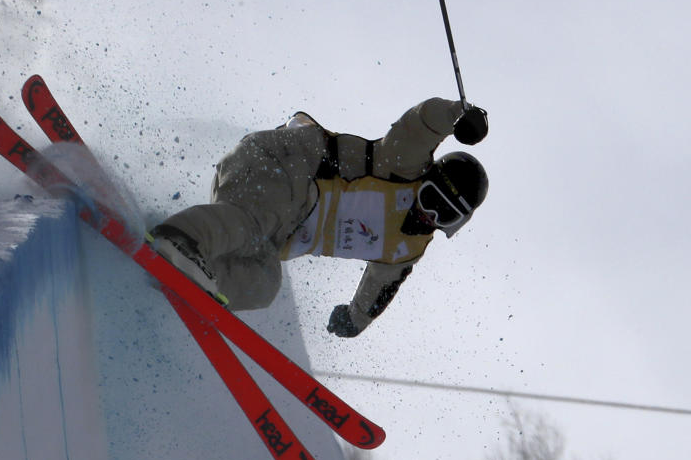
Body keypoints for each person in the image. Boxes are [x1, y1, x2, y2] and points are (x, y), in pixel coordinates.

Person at [150, 98, 489, 338]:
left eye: (443, 213)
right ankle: (180, 239)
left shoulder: (406, 249)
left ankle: (199, 280)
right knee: (257, 224)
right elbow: (422, 122)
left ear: (453, 225)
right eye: (430, 197)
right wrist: (459, 114)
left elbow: (380, 288)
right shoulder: (402, 164)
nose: (428, 213)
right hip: (281, 165)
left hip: (273, 226)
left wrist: (354, 320)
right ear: (424, 178)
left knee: (266, 283)